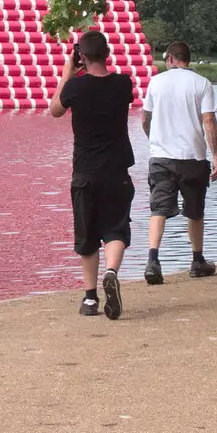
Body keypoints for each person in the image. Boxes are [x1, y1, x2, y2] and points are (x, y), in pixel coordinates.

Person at [50, 30, 135, 319]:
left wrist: (67, 73)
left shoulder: (75, 88)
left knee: (87, 236)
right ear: (108, 54)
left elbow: (55, 111)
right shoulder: (123, 84)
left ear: (81, 57)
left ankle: (90, 298)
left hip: (85, 171)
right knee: (116, 228)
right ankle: (111, 272)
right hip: (117, 170)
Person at [139, 40, 217, 284]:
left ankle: (153, 259)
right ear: (187, 59)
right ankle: (197, 261)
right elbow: (208, 120)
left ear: (172, 59)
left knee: (158, 209)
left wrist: (152, 139)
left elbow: (146, 117)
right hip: (192, 157)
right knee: (194, 211)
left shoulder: (156, 82)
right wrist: (215, 154)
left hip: (161, 157)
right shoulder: (202, 84)